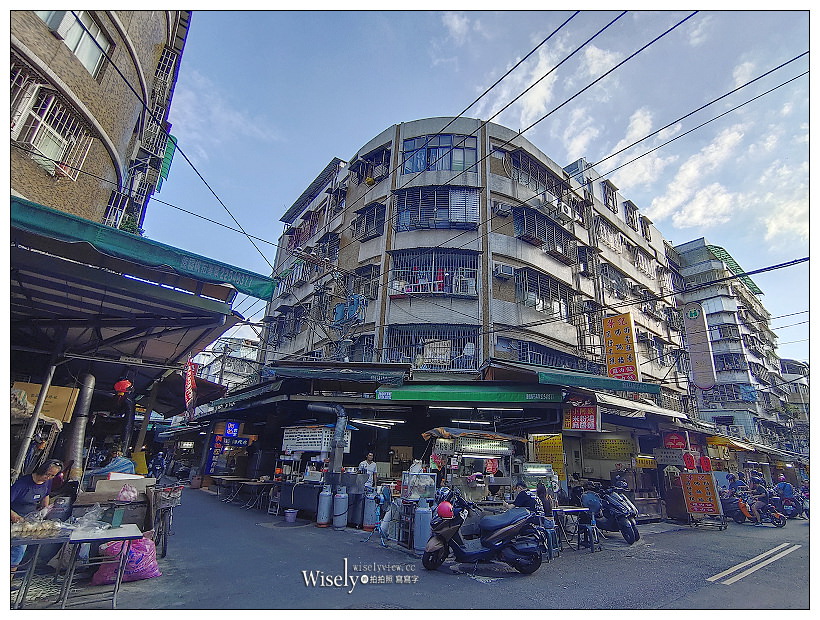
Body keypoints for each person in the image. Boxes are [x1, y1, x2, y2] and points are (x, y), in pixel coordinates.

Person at [11, 459, 63, 572]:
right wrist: (14, 516)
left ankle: (15, 576)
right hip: (15, 520)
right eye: (47, 474)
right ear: (42, 470)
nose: (48, 477)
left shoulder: (47, 482)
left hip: (30, 520)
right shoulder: (22, 484)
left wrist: (45, 509)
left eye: (52, 476)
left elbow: (46, 494)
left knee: (24, 550)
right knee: (18, 549)